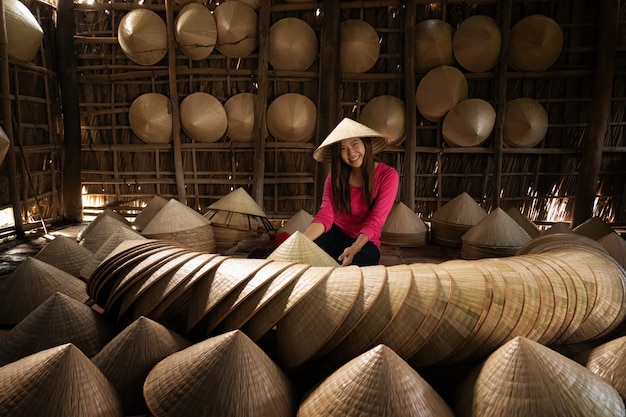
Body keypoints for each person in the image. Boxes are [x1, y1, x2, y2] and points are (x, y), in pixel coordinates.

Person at [304, 117, 399, 266]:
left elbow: (376, 220)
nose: (351, 152)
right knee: (306, 254)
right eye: (343, 148)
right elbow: (325, 214)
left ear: (365, 144)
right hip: (335, 233)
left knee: (358, 262)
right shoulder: (333, 178)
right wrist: (302, 241)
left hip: (364, 241)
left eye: (355, 144)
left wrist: (355, 247)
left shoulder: (388, 176)